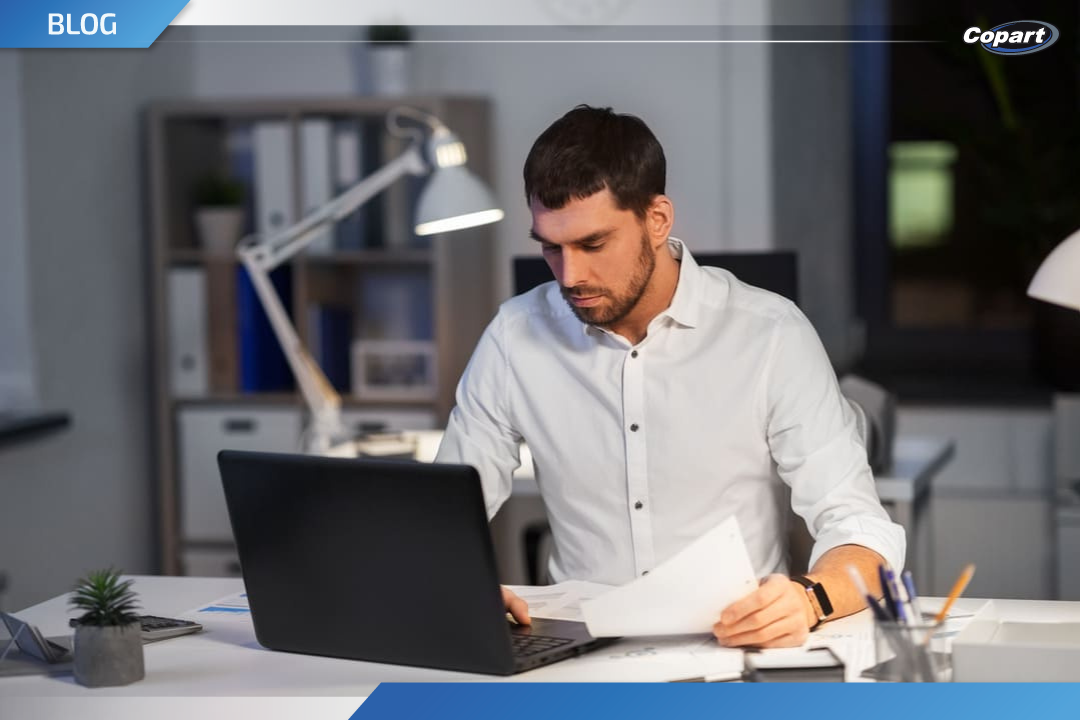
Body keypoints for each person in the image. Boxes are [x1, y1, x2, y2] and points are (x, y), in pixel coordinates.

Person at [435, 105, 904, 648]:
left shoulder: (771, 334)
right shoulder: (514, 337)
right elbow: (445, 518)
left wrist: (809, 598)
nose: (571, 275)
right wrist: (456, 586)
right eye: (549, 246)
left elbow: (861, 531)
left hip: (734, 646)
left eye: (592, 244)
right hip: (577, 651)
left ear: (657, 219)